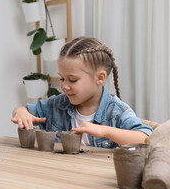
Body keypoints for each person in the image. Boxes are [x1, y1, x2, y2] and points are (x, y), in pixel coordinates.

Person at [11, 37, 152, 148]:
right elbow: (24, 110)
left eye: (72, 80)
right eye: (62, 78)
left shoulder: (117, 111)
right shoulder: (57, 104)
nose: (64, 86)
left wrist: (105, 131)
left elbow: (145, 138)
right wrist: (20, 113)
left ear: (100, 78)